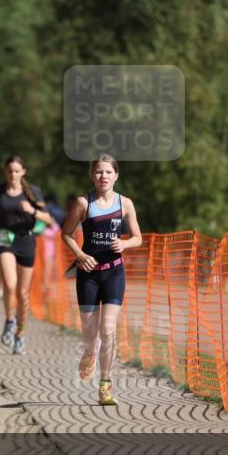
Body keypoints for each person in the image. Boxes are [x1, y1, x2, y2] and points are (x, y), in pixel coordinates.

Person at [61, 154, 142, 405]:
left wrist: (126, 243)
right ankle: (89, 352)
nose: (103, 176)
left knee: (108, 329)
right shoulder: (83, 203)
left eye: (108, 172)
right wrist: (80, 254)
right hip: (88, 274)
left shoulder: (125, 204)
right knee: (89, 332)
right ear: (92, 176)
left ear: (116, 175)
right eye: (98, 172)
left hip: (114, 272)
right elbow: (66, 234)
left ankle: (105, 385)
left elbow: (138, 237)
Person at [0, 156, 55, 355]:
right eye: (10, 171)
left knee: (23, 293)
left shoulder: (32, 192)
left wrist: (32, 210)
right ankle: (9, 320)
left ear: (23, 171)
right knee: (9, 284)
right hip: (3, 236)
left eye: (17, 171)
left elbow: (48, 219)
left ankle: (20, 333)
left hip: (26, 238)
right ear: (4, 171)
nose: (13, 175)